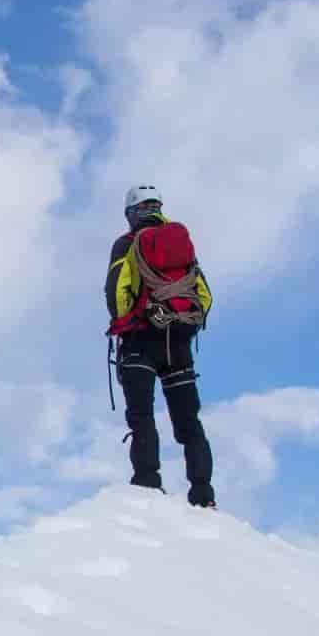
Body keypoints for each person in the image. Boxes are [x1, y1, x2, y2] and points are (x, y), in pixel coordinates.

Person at [103, 184, 216, 507]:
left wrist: (127, 324)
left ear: (130, 213)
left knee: (142, 417)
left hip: (140, 341)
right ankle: (203, 493)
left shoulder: (126, 244)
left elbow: (117, 292)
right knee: (189, 422)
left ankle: (148, 484)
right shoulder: (180, 243)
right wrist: (184, 327)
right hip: (178, 344)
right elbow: (204, 296)